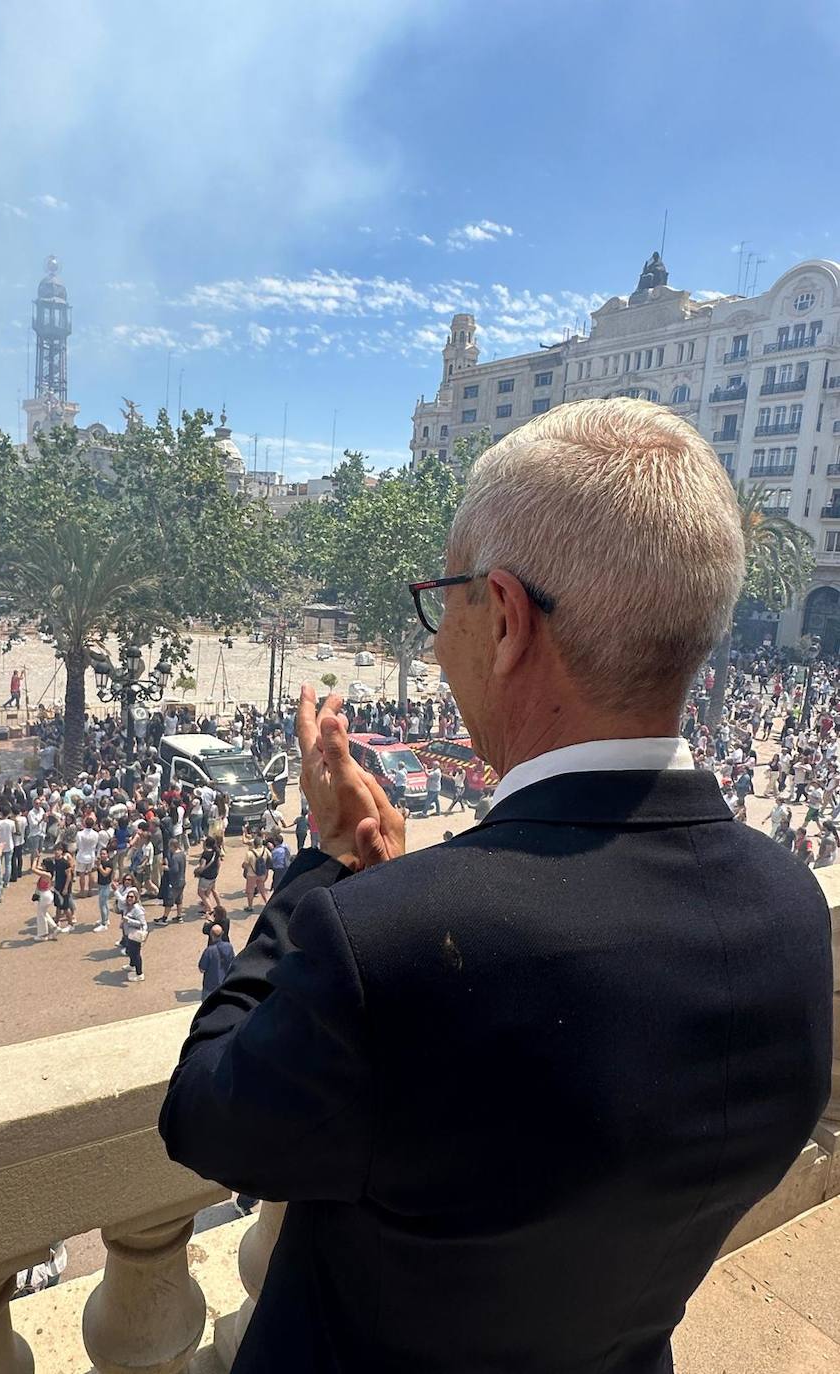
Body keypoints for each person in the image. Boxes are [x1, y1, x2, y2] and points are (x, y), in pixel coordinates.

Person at [159, 398, 832, 1374]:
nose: (435, 643)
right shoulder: (786, 907)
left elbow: (203, 1115)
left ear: (507, 617)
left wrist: (328, 871)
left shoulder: (381, 943)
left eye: (445, 600)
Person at [198, 923, 235, 1001]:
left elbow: (202, 969)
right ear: (222, 934)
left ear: (211, 934)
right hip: (225, 983)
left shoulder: (209, 950)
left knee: (206, 1008)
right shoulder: (229, 946)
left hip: (210, 985)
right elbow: (233, 961)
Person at [156, 839, 187, 924]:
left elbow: (174, 870)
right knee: (179, 899)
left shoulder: (175, 857)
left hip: (174, 882)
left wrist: (164, 867)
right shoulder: (182, 854)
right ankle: (179, 916)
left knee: (169, 900)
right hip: (182, 880)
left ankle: (164, 918)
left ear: (173, 846)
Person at [121, 887, 148, 982]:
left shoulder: (137, 910)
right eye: (128, 896)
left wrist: (129, 920)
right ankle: (132, 965)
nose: (129, 898)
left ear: (136, 898)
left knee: (136, 954)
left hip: (135, 935)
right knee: (129, 951)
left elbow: (142, 923)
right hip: (129, 934)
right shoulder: (127, 907)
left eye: (132, 897)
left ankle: (139, 974)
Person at [194, 837, 222, 915]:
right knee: (207, 893)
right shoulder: (216, 851)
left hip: (206, 877)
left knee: (201, 893)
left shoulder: (205, 854)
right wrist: (216, 872)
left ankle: (210, 909)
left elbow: (202, 866)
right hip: (214, 875)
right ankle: (206, 908)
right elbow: (219, 864)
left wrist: (197, 870)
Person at [242, 834, 270, 911]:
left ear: (254, 844)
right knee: (262, 888)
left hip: (252, 874)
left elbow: (245, 864)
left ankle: (250, 906)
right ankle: (267, 903)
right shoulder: (265, 850)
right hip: (262, 873)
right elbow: (270, 859)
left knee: (250, 891)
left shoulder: (249, 853)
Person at [31, 872, 58, 942]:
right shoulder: (47, 874)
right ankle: (54, 927)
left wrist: (35, 860)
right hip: (47, 894)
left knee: (41, 915)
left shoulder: (46, 875)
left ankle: (43, 935)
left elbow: (34, 869)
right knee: (44, 913)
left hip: (44, 896)